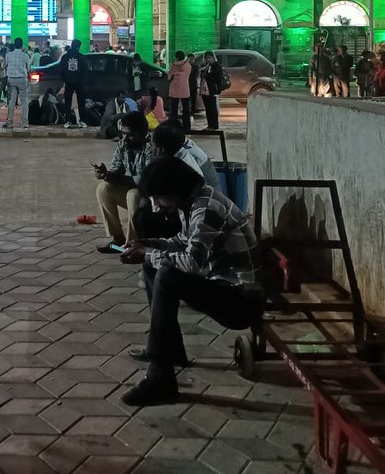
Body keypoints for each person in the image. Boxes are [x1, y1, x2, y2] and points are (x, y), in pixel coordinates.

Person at [118, 157, 263, 407]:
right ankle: (170, 352)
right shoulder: (194, 201)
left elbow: (191, 262)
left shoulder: (207, 208)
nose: (157, 206)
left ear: (175, 190)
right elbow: (182, 242)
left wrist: (151, 254)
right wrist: (150, 245)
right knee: (156, 265)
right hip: (224, 288)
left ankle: (160, 378)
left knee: (167, 273)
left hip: (242, 300)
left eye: (159, 197)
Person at [92, 112, 151, 254]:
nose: (124, 137)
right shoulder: (123, 144)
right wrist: (105, 175)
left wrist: (119, 178)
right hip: (135, 189)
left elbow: (146, 182)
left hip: (153, 198)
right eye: (123, 133)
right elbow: (116, 170)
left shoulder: (151, 148)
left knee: (133, 195)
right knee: (103, 188)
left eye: (129, 134)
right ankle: (117, 238)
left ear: (142, 133)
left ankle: (132, 244)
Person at [58, 39, 89, 129]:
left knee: (68, 102)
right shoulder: (81, 57)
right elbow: (85, 70)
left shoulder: (65, 57)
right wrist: (82, 79)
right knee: (81, 102)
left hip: (68, 82)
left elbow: (61, 70)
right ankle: (82, 121)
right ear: (78, 47)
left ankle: (68, 121)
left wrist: (65, 79)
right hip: (79, 83)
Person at [3, 38, 31, 129]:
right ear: (22, 45)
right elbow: (29, 68)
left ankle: (10, 122)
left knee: (11, 101)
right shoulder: (25, 55)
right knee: (24, 101)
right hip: (22, 79)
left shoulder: (8, 55)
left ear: (14, 45)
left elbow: (4, 66)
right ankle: (24, 123)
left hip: (11, 80)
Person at [199, 51, 227, 130]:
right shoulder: (205, 66)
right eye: (206, 58)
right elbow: (201, 75)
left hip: (212, 89)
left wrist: (208, 75)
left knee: (212, 108)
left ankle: (214, 125)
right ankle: (209, 124)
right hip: (204, 90)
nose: (208, 59)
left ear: (213, 58)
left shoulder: (216, 66)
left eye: (209, 58)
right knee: (207, 108)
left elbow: (218, 77)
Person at [167, 50, 192, 130]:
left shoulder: (174, 65)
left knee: (174, 109)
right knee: (186, 108)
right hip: (185, 88)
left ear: (177, 57)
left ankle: (174, 126)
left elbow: (169, 76)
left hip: (175, 89)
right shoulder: (188, 65)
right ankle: (187, 126)